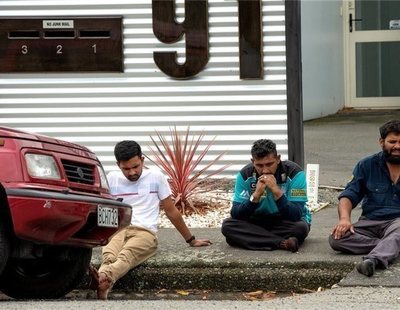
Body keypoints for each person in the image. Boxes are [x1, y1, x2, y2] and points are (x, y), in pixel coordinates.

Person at [89, 140, 212, 299]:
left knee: (127, 255)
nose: (132, 172)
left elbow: (171, 210)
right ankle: (104, 283)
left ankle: (102, 276)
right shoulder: (111, 178)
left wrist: (191, 240)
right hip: (118, 230)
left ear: (142, 159)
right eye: (126, 169)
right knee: (110, 256)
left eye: (135, 166)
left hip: (144, 232)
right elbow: (102, 209)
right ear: (118, 164)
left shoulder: (155, 177)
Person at [329, 119, 400, 277]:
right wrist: (344, 220)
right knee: (337, 239)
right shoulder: (366, 165)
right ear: (381, 142)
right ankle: (392, 247)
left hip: (398, 223)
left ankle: (373, 260)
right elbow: (349, 195)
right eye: (392, 141)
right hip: (370, 222)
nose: (397, 146)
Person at [221, 139, 311, 252]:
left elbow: (296, 214)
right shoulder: (244, 175)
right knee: (227, 226)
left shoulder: (295, 173)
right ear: (252, 161)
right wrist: (256, 195)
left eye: (269, 164)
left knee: (300, 228)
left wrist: (276, 191)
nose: (264, 170)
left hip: (284, 221)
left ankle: (253, 238)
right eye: (259, 165)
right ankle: (282, 243)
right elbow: (236, 213)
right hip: (257, 220)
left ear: (278, 159)